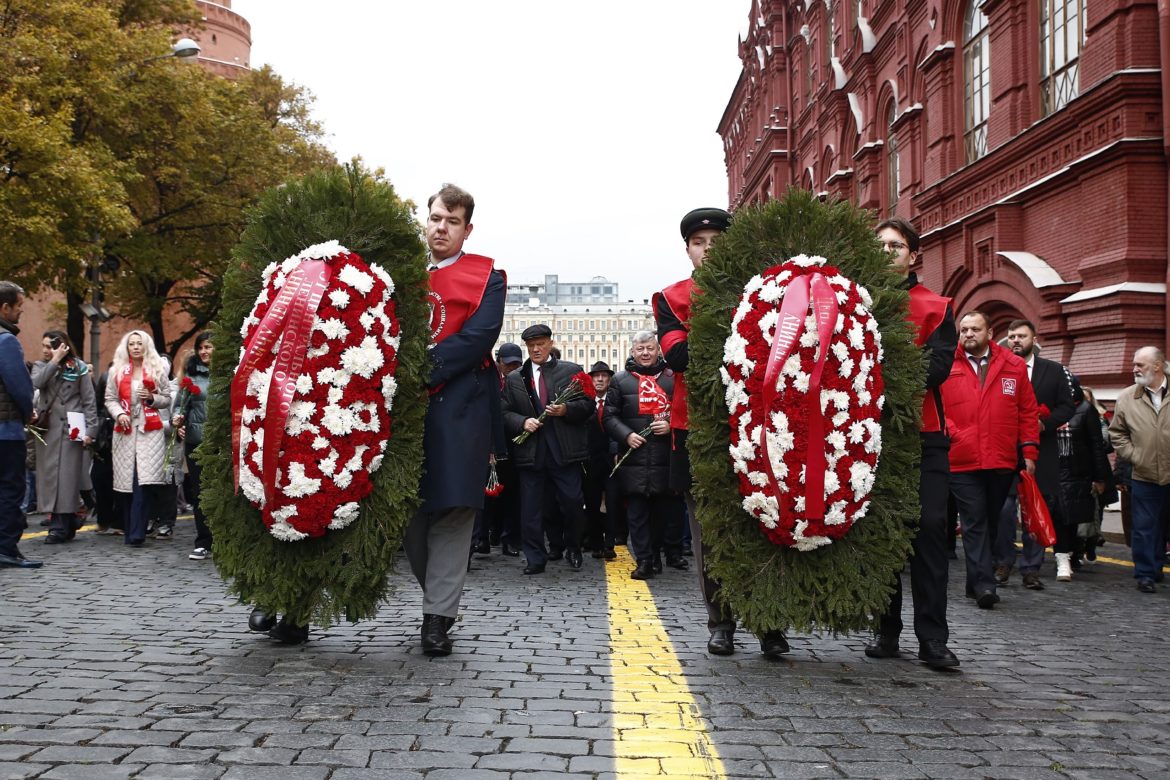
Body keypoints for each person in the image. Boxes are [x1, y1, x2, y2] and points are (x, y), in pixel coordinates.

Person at [655, 207, 788, 659]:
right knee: (708, 531)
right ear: (688, 249)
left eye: (716, 241)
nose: (708, 249)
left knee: (763, 525)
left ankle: (769, 621)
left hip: (761, 425)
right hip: (696, 428)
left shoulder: (763, 293)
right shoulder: (671, 298)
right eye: (699, 243)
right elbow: (678, 357)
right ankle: (722, 622)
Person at [404, 184, 505, 655]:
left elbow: (478, 338)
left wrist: (416, 371)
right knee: (412, 517)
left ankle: (437, 619)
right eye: (436, 218)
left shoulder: (487, 276)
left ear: (467, 228)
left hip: (461, 406)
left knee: (453, 509)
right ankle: (438, 599)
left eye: (452, 221)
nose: (441, 228)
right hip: (404, 409)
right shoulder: (402, 273)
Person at [864, 217, 960, 669]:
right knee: (880, 535)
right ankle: (886, 631)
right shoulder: (854, 306)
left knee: (928, 533)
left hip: (924, 435)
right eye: (880, 245)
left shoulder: (937, 307)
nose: (888, 253)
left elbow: (936, 369)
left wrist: (877, 379)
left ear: (913, 255)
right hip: (867, 436)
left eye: (896, 245)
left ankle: (933, 639)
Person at [941, 311, 1039, 608]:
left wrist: (1029, 451)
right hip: (962, 459)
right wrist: (954, 434)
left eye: (975, 329)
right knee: (974, 521)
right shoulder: (947, 364)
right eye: (964, 329)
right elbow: (937, 408)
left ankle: (976, 581)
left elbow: (1027, 411)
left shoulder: (1013, 365)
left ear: (990, 331)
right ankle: (985, 585)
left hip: (1001, 459)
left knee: (992, 519)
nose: (968, 334)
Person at [501, 324, 593, 574]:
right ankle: (535, 558)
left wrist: (567, 410)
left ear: (551, 344)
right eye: (531, 346)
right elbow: (503, 412)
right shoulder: (514, 378)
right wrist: (522, 422)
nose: (536, 349)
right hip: (531, 452)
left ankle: (572, 545)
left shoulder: (571, 371)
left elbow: (588, 406)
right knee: (530, 509)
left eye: (540, 344)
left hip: (564, 451)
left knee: (572, 502)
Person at [998, 320, 1076, 585]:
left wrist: (1046, 423)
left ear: (1034, 338)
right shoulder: (999, 369)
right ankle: (1003, 562)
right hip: (1005, 451)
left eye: (1021, 336)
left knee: (1036, 508)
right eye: (1011, 336)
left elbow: (1068, 407)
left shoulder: (1054, 371)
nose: (1016, 340)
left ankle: (1031, 568)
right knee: (1004, 509)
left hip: (1043, 452)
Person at [604, 333, 685, 579]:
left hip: (664, 458)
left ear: (659, 350)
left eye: (650, 348)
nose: (645, 353)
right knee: (636, 514)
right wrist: (626, 435)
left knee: (661, 514)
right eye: (640, 349)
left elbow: (687, 411)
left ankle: (655, 554)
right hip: (634, 458)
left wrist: (671, 423)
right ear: (632, 351)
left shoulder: (673, 379)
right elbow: (609, 417)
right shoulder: (620, 380)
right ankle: (644, 560)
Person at [1108, 346, 1170, 593]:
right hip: (1143, 473)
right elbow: (1117, 433)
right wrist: (1135, 456)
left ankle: (1155, 565)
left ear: (1157, 366)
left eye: (1140, 365)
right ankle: (1145, 572)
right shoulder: (1127, 397)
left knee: (1163, 524)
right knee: (1144, 525)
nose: (1134, 369)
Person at [103, 330, 173, 547]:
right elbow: (110, 399)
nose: (135, 347)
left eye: (139, 343)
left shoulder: (156, 370)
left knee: (143, 483)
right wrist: (120, 414)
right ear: (126, 347)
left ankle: (137, 532)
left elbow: (167, 398)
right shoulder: (116, 371)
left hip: (149, 430)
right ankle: (130, 529)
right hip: (124, 431)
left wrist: (152, 398)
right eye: (131, 343)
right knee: (126, 485)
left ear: (146, 346)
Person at [31, 331, 98, 544]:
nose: (45, 350)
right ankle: (66, 522)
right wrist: (54, 361)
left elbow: (88, 400)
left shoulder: (78, 367)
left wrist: (91, 431)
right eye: (43, 346)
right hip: (49, 428)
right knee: (51, 477)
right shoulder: (41, 366)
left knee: (68, 478)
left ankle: (59, 525)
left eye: (50, 346)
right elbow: (37, 383)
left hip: (73, 427)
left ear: (63, 346)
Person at [0, 281, 41, 568]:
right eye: (18, 308)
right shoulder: (6, 341)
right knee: (10, 491)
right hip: (5, 431)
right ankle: (5, 548)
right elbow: (20, 386)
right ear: (5, 307)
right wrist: (29, 412)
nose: (19, 314)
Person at [1056, 376, 1111, 576]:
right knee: (1059, 516)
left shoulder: (1086, 410)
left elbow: (1096, 445)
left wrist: (1100, 477)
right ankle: (1062, 557)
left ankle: (1074, 553)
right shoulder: (1051, 408)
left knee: (1073, 517)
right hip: (1055, 471)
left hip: (1078, 472)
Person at [172, 333, 213, 561]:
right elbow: (179, 407)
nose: (203, 351)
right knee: (199, 494)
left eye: (208, 347)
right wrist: (177, 422)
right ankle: (203, 541)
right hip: (196, 442)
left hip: (221, 444)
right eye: (200, 348)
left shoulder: (229, 375)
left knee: (222, 493)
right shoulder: (191, 377)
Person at [583, 360, 618, 561]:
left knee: (613, 502)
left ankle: (609, 543)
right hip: (591, 460)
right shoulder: (585, 401)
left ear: (609, 380)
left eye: (604, 376)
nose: (600, 379)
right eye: (596, 376)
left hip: (612, 460)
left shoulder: (615, 399)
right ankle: (595, 542)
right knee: (592, 501)